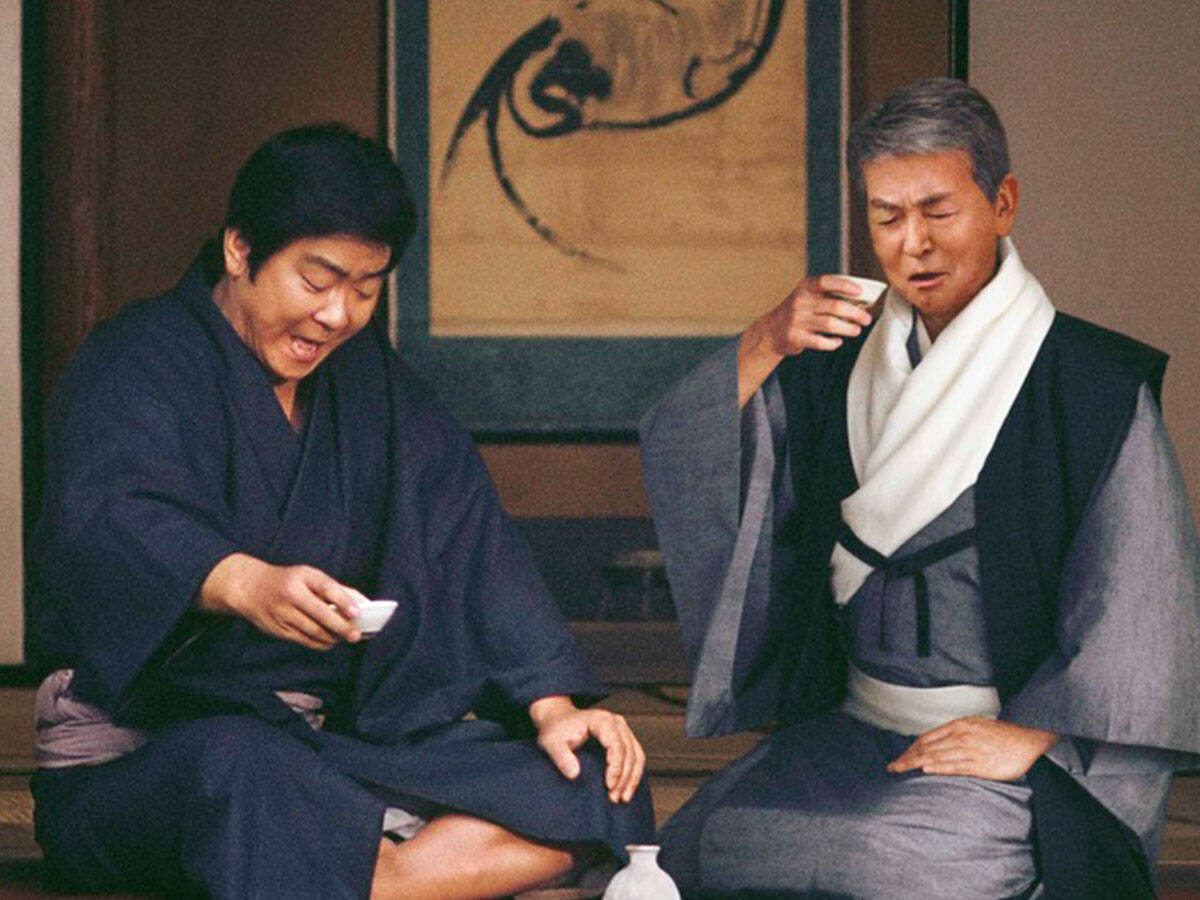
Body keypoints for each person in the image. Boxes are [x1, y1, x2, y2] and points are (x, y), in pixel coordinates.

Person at [31, 123, 652, 900]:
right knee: (243, 771)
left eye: (365, 289)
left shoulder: (367, 382)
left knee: (593, 778)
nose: (338, 316)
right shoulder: (137, 360)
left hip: (328, 752)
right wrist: (244, 582)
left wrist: (554, 708)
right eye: (317, 280)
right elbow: (110, 519)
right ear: (240, 250)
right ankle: (377, 865)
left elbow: (467, 536)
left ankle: (368, 873)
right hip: (150, 756)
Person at [640, 78, 1200, 898]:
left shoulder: (1089, 386)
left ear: (1003, 204)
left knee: (890, 860)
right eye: (887, 217)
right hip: (855, 722)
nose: (914, 246)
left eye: (939, 212)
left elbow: (1142, 612)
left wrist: (1033, 738)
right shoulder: (832, 360)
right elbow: (684, 446)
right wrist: (764, 340)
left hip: (1007, 746)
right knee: (701, 845)